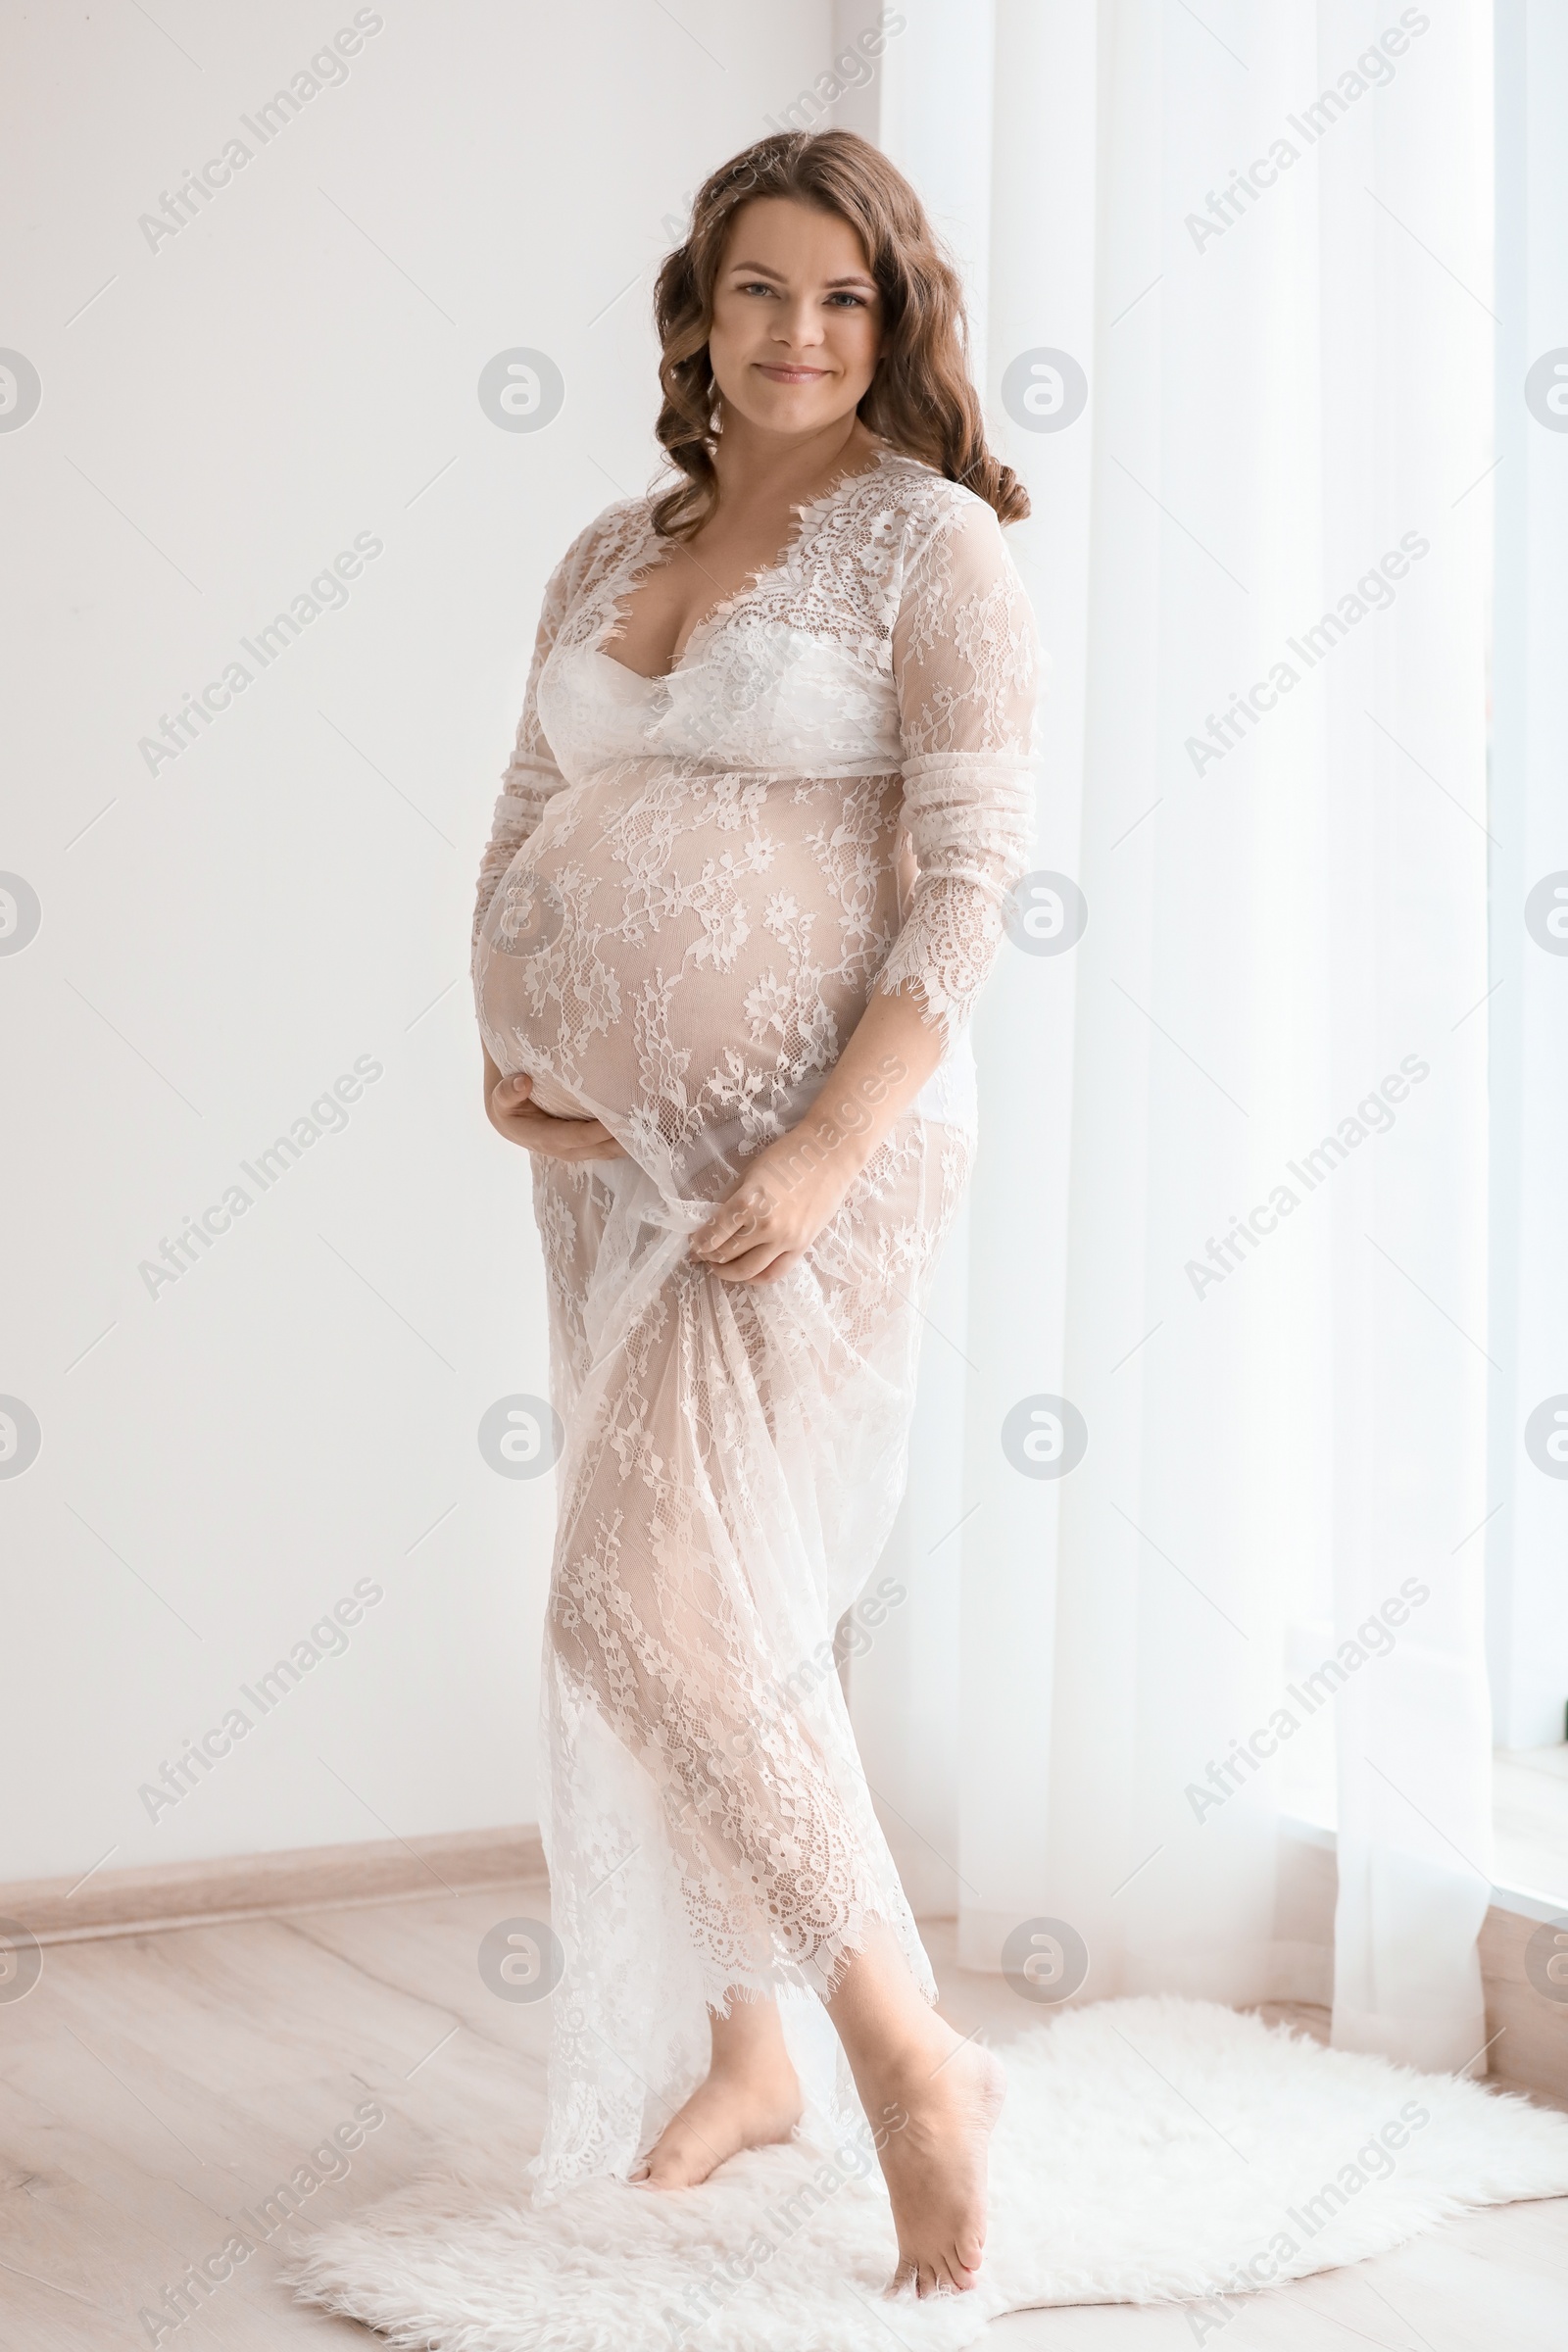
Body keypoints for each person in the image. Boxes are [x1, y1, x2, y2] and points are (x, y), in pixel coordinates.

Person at [471, 127, 1041, 2299]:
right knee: (706, 1607)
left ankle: (904, 2063)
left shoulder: (930, 551)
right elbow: (533, 806)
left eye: (843, 300)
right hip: (610, 1162)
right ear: (694, 318)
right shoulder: (618, 537)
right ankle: (749, 2057)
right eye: (758, 295)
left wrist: (813, 1153)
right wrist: (504, 1039)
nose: (799, 336)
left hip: (812, 1155)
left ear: (893, 326)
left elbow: (968, 890)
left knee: (654, 1598)